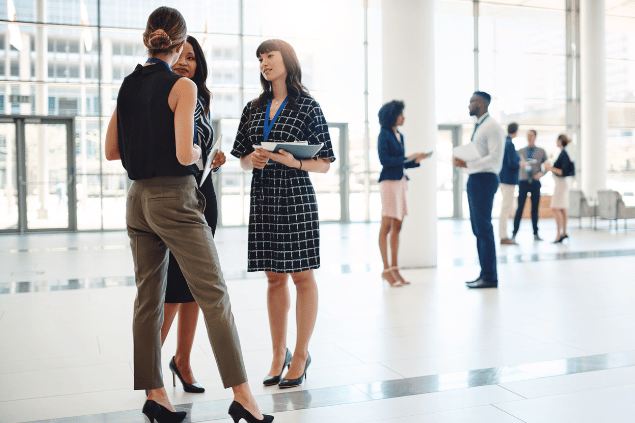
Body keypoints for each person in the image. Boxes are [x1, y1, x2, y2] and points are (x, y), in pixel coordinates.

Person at [104, 7, 272, 423]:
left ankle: (156, 394)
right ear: (179, 43)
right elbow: (184, 153)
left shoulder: (127, 85)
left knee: (149, 301)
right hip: (174, 199)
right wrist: (200, 154)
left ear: (149, 38)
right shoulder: (182, 86)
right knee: (214, 296)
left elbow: (110, 150)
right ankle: (244, 398)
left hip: (137, 199)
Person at [231, 39, 335, 389]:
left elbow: (324, 165)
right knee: (274, 278)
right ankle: (279, 354)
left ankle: (302, 354)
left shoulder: (308, 106)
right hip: (263, 198)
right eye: (260, 59)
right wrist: (252, 160)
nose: (264, 63)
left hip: (296, 197)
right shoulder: (253, 108)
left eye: (270, 56)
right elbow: (243, 159)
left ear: (287, 60)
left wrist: (296, 161)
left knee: (302, 277)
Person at [160, 35, 226, 395]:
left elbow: (197, 148)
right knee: (171, 286)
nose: (185, 62)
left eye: (192, 57)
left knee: (195, 287)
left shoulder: (202, 99)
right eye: (180, 56)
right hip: (175, 198)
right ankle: (151, 372)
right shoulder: (164, 95)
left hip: (204, 192)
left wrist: (213, 157)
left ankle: (182, 361)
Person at [453, 91, 504, 289]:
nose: (469, 105)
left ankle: (490, 277)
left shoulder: (491, 127)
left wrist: (468, 164)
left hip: (484, 179)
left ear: (482, 104)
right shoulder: (481, 126)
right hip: (476, 179)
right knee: (478, 229)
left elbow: (494, 158)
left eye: (472, 101)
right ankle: (485, 273)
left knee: (483, 228)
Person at [377, 100, 429, 287]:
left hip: (400, 181)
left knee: (398, 225)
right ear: (393, 116)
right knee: (387, 225)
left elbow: (400, 162)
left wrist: (415, 159)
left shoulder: (400, 135)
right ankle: (386, 270)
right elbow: (385, 160)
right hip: (389, 182)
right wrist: (408, 157)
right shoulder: (384, 135)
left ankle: (395, 268)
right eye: (400, 114)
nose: (403, 117)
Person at [512, 129, 547, 242]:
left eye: (531, 135)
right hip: (523, 182)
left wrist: (541, 174)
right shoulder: (521, 151)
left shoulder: (541, 151)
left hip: (535, 183)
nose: (529, 137)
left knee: (534, 209)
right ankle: (514, 233)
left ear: (535, 137)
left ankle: (536, 233)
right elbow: (515, 165)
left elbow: (547, 165)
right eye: (528, 135)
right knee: (520, 208)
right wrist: (519, 165)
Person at [545, 134, 574, 243]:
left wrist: (550, 168)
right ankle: (564, 232)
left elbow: (562, 172)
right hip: (561, 184)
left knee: (556, 208)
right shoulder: (564, 153)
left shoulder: (564, 154)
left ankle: (559, 234)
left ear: (560, 141)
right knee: (562, 208)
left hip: (561, 184)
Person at [498, 122, 520, 245]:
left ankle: (503, 235)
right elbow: (512, 164)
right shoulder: (509, 144)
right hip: (508, 180)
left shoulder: (504, 142)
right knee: (506, 208)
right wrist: (519, 162)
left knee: (506, 207)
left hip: (504, 180)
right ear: (516, 131)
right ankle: (503, 236)